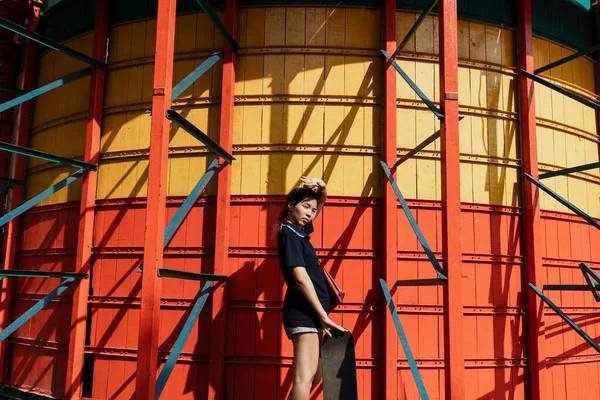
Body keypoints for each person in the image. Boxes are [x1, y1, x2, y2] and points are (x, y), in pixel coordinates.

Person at [275, 176, 347, 400]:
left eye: (313, 210)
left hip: (311, 315)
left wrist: (322, 189)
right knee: (303, 378)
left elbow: (319, 203)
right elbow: (302, 278)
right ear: (290, 205)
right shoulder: (289, 234)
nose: (309, 213)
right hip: (304, 314)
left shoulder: (300, 232)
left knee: (313, 375)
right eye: (305, 207)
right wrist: (323, 315)